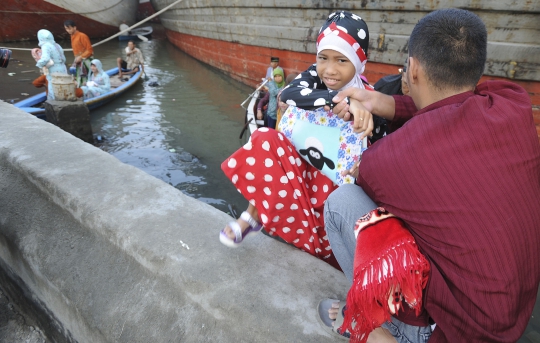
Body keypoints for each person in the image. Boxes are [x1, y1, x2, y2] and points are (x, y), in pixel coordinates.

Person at [321, 8, 540, 343]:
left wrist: (363, 164)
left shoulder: (389, 160)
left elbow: (370, 177)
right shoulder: (513, 103)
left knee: (342, 201)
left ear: (413, 69)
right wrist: (383, 102)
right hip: (511, 320)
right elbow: (455, 105)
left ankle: (377, 326)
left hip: (445, 334)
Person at [219, 11, 372, 269]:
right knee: (265, 137)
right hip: (299, 169)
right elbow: (290, 93)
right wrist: (341, 99)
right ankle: (252, 216)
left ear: (358, 63)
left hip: (328, 189)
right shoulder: (314, 77)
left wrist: (362, 105)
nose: (330, 69)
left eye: (342, 60)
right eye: (323, 58)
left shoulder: (370, 97)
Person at [34, 30, 68, 100]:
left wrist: (39, 64)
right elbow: (64, 59)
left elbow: (45, 59)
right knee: (63, 86)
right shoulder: (57, 45)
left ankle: (54, 103)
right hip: (63, 68)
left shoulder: (45, 46)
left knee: (53, 87)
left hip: (54, 69)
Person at [64, 20, 94, 87]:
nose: (68, 30)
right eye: (66, 29)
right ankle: (82, 89)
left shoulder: (82, 36)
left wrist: (81, 57)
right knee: (79, 76)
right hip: (78, 59)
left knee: (88, 76)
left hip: (86, 59)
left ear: (74, 27)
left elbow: (89, 50)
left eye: (69, 28)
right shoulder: (72, 36)